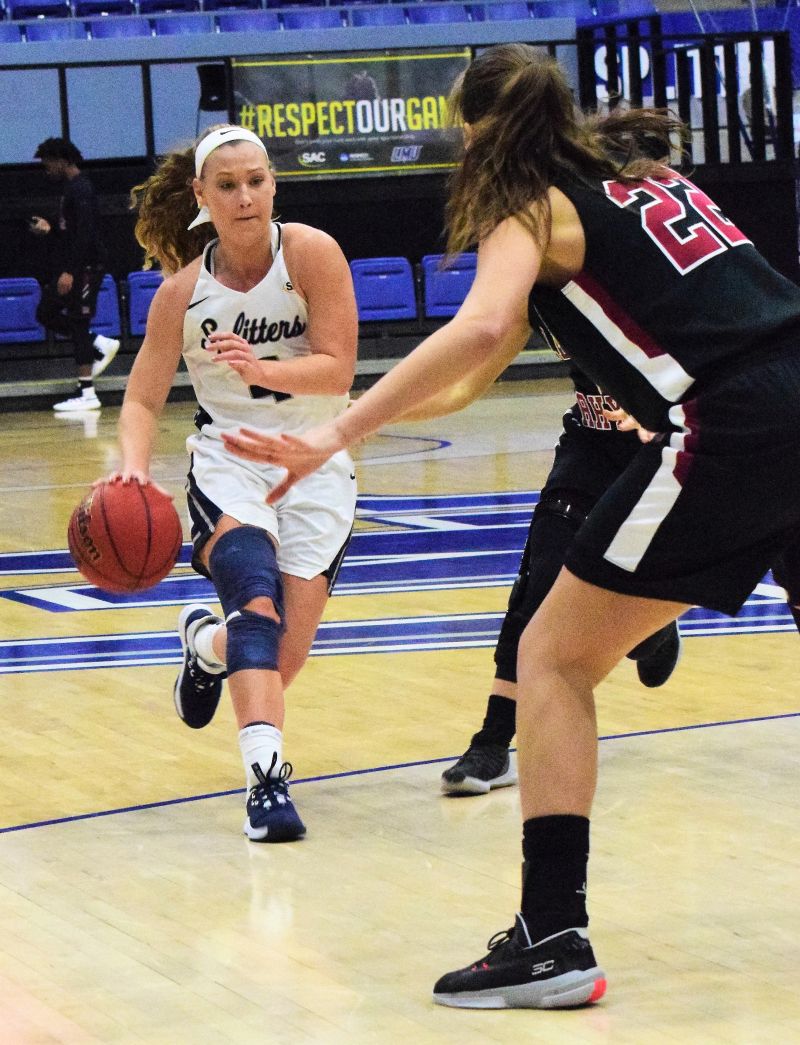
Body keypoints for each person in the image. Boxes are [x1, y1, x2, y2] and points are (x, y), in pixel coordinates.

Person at [221, 45, 800, 1009]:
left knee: (552, 659)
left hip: (735, 418)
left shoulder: (529, 203)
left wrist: (332, 434)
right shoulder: (640, 177)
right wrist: (356, 415)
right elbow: (467, 383)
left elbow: (481, 327)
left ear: (477, 129)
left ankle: (551, 933)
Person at [104, 124, 358, 842]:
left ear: (273, 186)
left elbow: (338, 368)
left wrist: (260, 367)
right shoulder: (181, 295)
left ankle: (205, 648)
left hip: (314, 461)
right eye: (227, 185)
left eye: (256, 182)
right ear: (200, 195)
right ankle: (266, 784)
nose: (245, 197)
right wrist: (132, 467)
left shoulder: (310, 253)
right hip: (231, 462)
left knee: (279, 655)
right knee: (255, 601)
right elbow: (142, 398)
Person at [441, 363, 682, 796]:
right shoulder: (550, 316)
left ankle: (655, 629)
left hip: (668, 448)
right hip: (588, 446)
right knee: (537, 587)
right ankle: (492, 742)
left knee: (634, 606)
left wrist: (661, 408)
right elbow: (478, 351)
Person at [31, 137, 120, 412]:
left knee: (78, 322)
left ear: (62, 160)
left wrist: (70, 271)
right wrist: (50, 230)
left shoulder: (81, 189)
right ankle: (97, 343)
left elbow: (85, 235)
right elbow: (71, 233)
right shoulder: (71, 189)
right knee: (47, 313)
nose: (46, 169)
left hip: (86, 266)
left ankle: (87, 393)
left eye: (48, 163)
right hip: (78, 265)